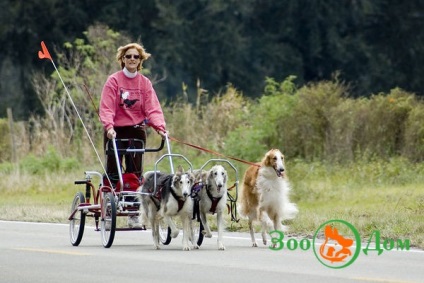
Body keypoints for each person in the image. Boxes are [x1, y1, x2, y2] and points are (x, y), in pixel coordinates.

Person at [99, 43, 167, 228]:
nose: (132, 59)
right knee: (114, 170)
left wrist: (159, 127)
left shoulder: (144, 83)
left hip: (136, 130)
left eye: (135, 57)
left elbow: (152, 108)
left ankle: (133, 213)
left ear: (140, 60)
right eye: (128, 56)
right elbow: (106, 107)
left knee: (134, 173)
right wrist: (109, 127)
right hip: (115, 130)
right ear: (122, 59)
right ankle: (109, 208)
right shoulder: (113, 81)